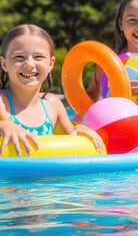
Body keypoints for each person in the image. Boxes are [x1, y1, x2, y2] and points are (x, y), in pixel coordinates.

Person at [0, 24, 104, 156]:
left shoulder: (52, 105)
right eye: (19, 57)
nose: (29, 64)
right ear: (4, 64)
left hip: (50, 177)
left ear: (50, 64)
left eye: (38, 57)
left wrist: (79, 130)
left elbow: (71, 141)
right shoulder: (1, 103)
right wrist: (3, 125)